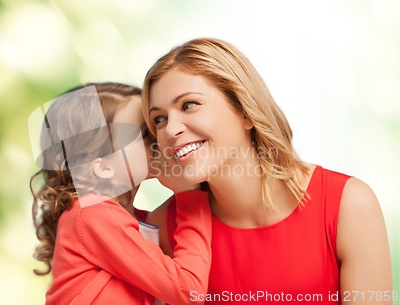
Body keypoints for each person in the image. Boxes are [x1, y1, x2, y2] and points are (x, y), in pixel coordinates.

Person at [142, 38, 393, 304]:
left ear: (245, 111)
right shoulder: (163, 227)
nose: (169, 130)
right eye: (159, 119)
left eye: (189, 105)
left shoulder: (348, 206)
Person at [29, 82, 211, 304]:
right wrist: (190, 196)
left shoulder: (138, 220)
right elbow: (188, 292)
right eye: (145, 133)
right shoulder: (92, 215)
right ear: (103, 166)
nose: (160, 137)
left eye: (157, 124)